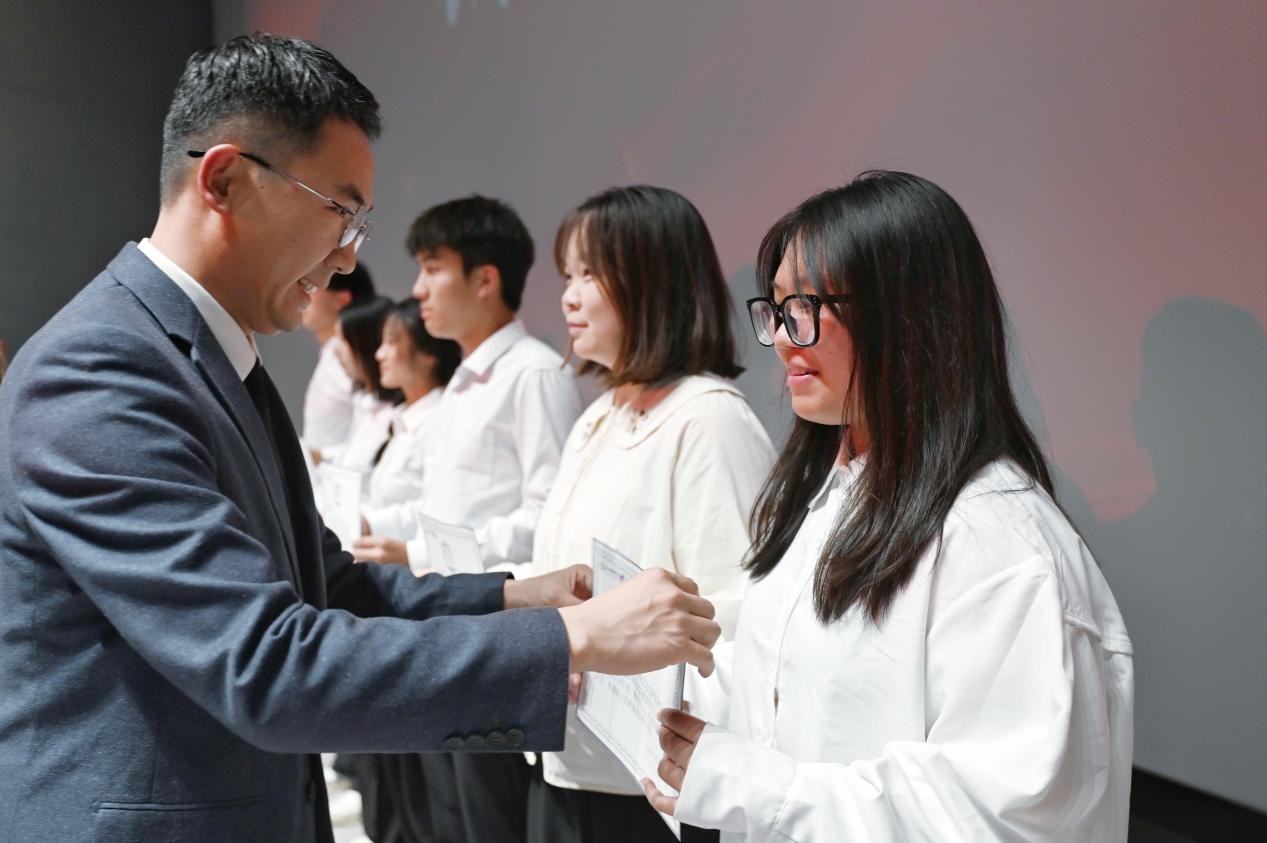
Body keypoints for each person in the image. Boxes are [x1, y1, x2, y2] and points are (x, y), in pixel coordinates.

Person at [0, 34, 721, 843]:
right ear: (225, 180)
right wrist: (575, 637)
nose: (347, 258)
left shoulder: (210, 359)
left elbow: (329, 586)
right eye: (338, 212)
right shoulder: (101, 371)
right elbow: (267, 665)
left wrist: (515, 596)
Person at [645, 172, 1134, 842]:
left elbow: (1000, 814)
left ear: (907, 317)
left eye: (804, 306)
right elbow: (781, 688)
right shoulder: (830, 488)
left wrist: (755, 787)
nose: (782, 337)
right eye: (777, 309)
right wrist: (652, 685)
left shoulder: (1000, 543)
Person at [528, 186, 775, 843]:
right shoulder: (599, 414)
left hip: (652, 786)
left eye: (589, 273)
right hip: (570, 761)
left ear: (653, 280)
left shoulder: (708, 418)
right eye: (567, 275)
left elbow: (738, 614)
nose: (568, 297)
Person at [355, 195, 584, 843]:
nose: (418, 289)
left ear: (485, 279)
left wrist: (421, 550)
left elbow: (550, 517)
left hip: (498, 629)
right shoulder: (463, 381)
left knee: (491, 818)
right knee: (448, 817)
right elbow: (443, 502)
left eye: (433, 268)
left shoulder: (534, 373)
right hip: (448, 621)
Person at [310, 296, 399, 474]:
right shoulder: (365, 401)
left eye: (343, 340)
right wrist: (320, 455)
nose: (336, 350)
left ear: (365, 345)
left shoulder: (393, 416)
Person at [301, 262, 377, 450]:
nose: (303, 294)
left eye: (311, 287)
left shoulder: (349, 357)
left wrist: (320, 456)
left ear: (341, 300)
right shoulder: (330, 354)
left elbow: (373, 424)